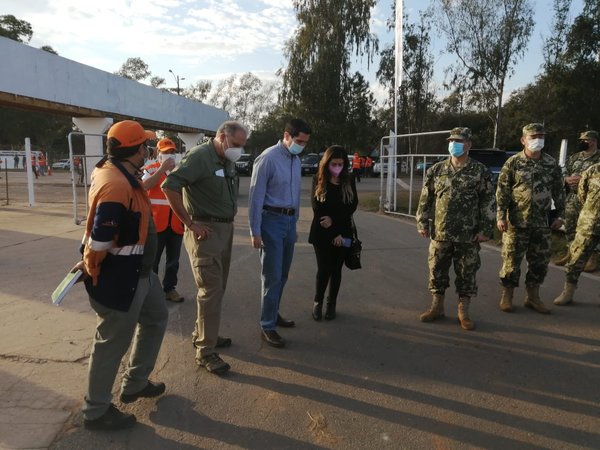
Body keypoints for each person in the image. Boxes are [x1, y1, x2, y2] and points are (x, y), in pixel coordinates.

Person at [75, 120, 168, 431]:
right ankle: (96, 410)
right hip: (121, 279)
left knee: (156, 318)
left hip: (142, 274)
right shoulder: (116, 183)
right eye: (145, 145)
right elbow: (100, 239)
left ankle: (135, 382)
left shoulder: (123, 172)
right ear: (136, 149)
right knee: (111, 343)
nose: (148, 149)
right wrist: (90, 265)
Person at [162, 121, 247, 375]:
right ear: (222, 137)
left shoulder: (226, 160)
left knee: (218, 288)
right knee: (209, 290)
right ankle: (205, 351)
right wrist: (189, 223)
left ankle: (204, 333)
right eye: (236, 144)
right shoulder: (200, 157)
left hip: (224, 229)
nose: (239, 150)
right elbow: (170, 186)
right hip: (205, 232)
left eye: (242, 146)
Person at [416, 127, 495, 330]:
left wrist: (486, 228)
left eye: (458, 140)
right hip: (441, 232)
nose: (454, 144)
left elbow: (488, 201)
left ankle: (463, 311)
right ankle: (437, 306)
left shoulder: (479, 171)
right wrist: (422, 222)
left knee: (467, 273)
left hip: (468, 234)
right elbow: (426, 198)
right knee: (437, 270)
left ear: (468, 145)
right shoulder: (437, 170)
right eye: (451, 140)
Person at [248, 118, 312, 348]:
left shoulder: (295, 159)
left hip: (287, 222)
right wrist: (255, 231)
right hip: (270, 221)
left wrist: (294, 225)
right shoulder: (267, 159)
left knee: (283, 274)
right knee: (272, 276)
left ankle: (273, 313)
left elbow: (295, 195)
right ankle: (267, 325)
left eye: (305, 143)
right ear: (286, 136)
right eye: (298, 141)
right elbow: (255, 198)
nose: (301, 146)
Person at [496, 123, 565, 314]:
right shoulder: (513, 163)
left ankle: (533, 297)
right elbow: (502, 191)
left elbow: (559, 191)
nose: (537, 140)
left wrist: (560, 215)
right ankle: (507, 295)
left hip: (542, 223)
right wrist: (501, 216)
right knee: (511, 261)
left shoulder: (551, 163)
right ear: (523, 140)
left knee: (540, 262)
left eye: (541, 137)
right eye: (533, 137)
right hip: (517, 222)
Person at [308, 145, 358, 321]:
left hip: (343, 232)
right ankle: (317, 303)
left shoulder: (348, 180)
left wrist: (336, 226)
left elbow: (352, 206)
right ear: (326, 163)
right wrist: (332, 229)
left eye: (341, 164)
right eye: (334, 164)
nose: (337, 167)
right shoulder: (318, 179)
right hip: (322, 233)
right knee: (324, 269)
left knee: (337, 269)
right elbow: (316, 206)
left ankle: (331, 304)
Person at [142, 138, 185, 303]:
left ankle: (169, 289)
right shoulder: (150, 170)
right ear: (158, 154)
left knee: (173, 261)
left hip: (176, 224)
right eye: (165, 152)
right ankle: (150, 291)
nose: (169, 155)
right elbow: (144, 186)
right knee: (152, 261)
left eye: (172, 152)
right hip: (155, 225)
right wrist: (161, 170)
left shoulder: (181, 172)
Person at [553, 161, 600, 305]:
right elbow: (582, 193)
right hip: (589, 223)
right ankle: (568, 292)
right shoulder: (593, 170)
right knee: (576, 259)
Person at [555, 130, 600, 271]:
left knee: (590, 229)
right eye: (581, 140)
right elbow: (563, 171)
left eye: (585, 140)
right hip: (573, 198)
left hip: (591, 201)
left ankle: (593, 258)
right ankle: (571, 253)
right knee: (570, 227)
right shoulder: (575, 157)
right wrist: (567, 179)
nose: (582, 142)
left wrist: (585, 180)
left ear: (593, 141)